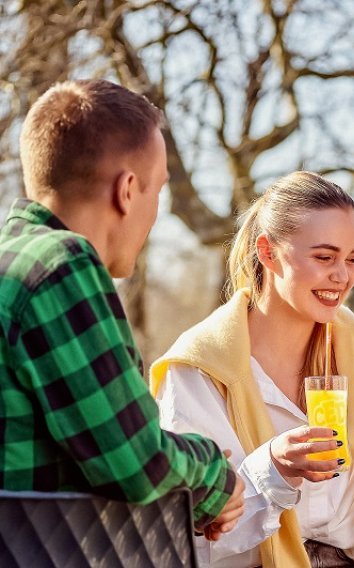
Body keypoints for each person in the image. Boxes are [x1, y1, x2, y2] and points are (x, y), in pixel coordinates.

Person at [150, 171, 354, 568]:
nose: (342, 276)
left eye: (352, 259)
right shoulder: (200, 368)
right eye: (324, 257)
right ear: (268, 252)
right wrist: (273, 469)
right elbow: (189, 529)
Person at [0, 79, 244, 538]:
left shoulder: (12, 261)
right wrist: (215, 477)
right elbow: (136, 463)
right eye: (159, 190)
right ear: (128, 190)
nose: (157, 213)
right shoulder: (59, 265)